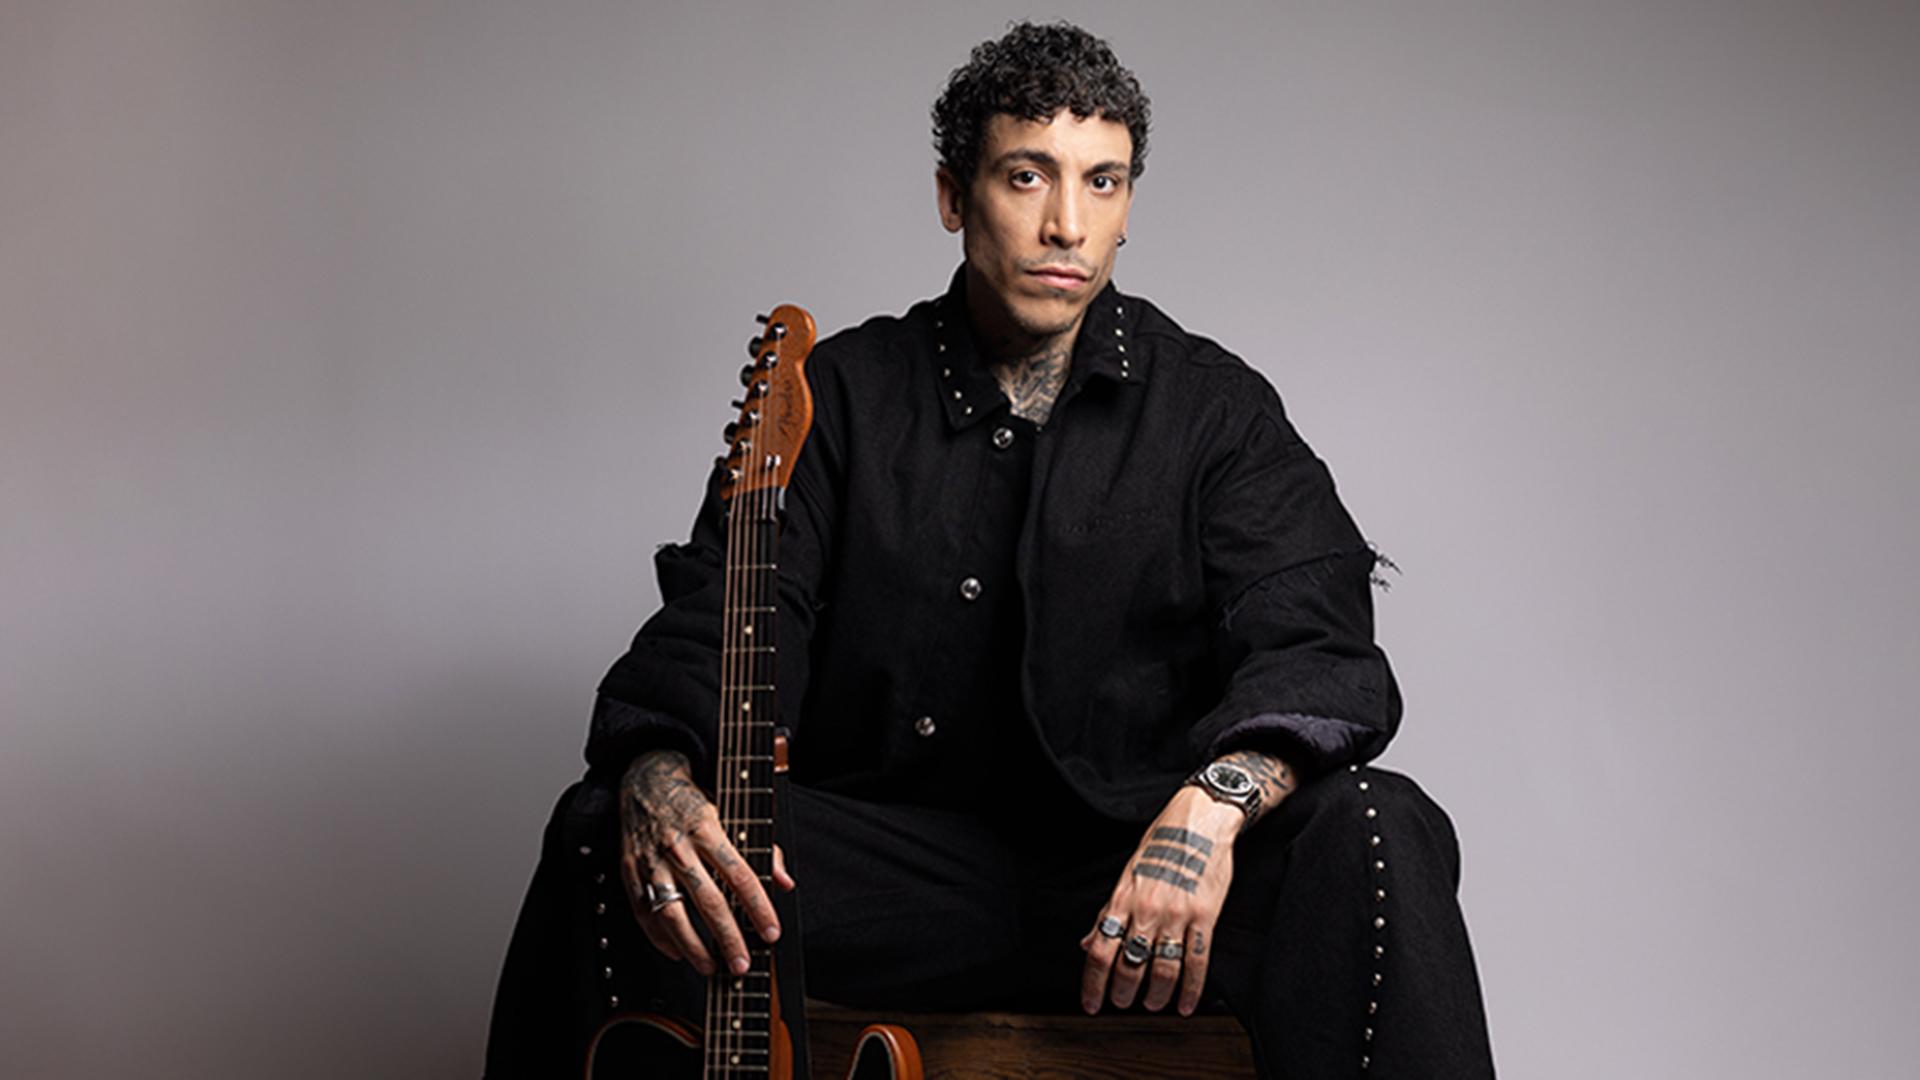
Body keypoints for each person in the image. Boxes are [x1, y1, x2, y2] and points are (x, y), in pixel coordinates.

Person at [488, 20, 1494, 1078]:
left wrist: (1211, 808)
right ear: (952, 196)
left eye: (1102, 183)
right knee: (606, 828)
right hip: (891, 882)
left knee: (1378, 823)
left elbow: (1318, 641)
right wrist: (657, 773)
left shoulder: (1213, 409)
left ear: (1129, 206)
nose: (1067, 224)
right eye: (1027, 176)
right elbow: (729, 618)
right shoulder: (841, 395)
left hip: (1131, 883)